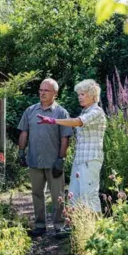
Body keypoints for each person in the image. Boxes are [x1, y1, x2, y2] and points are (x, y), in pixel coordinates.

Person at [37, 79, 106, 215]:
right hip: (80, 160)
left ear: (92, 95)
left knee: (89, 195)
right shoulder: (85, 112)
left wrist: (53, 120)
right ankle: (79, 230)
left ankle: (97, 229)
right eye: (78, 94)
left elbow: (77, 122)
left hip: (90, 160)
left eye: (83, 94)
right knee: (73, 197)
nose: (79, 97)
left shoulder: (97, 112)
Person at [17, 78, 73, 237]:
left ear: (55, 94)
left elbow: (65, 138)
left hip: (53, 161)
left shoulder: (61, 113)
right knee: (36, 194)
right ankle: (40, 225)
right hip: (34, 160)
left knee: (58, 196)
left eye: (46, 90)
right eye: (40, 89)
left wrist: (61, 160)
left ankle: (59, 226)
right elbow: (24, 132)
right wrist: (21, 151)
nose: (42, 93)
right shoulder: (30, 111)